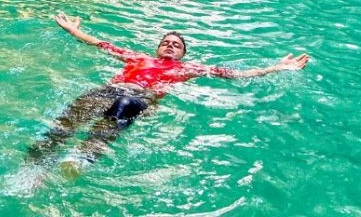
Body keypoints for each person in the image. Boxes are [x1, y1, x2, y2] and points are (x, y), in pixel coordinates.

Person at [26, 12, 310, 171]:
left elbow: (236, 74)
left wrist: (276, 68)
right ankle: (36, 161)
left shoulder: (189, 69)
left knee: (124, 104)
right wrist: (74, 30)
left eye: (177, 43)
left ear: (184, 53)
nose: (171, 44)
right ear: (158, 47)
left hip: (140, 97)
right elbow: (101, 43)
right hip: (112, 88)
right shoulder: (137, 57)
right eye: (166, 41)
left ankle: (82, 158)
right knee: (82, 105)